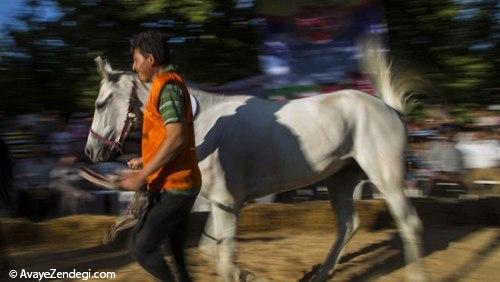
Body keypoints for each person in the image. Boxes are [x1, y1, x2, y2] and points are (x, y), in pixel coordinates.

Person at [120, 30, 202, 282]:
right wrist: (146, 159)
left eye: (135, 60)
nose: (133, 67)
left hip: (175, 187)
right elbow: (168, 136)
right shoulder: (163, 86)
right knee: (175, 252)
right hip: (177, 183)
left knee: (140, 248)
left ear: (151, 59)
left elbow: (176, 137)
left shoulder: (167, 87)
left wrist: (142, 175)